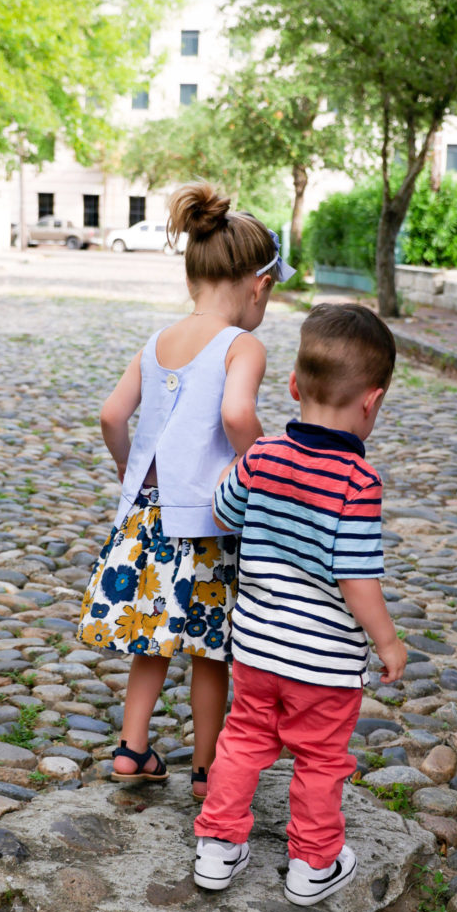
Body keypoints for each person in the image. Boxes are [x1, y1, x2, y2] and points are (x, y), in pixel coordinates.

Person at [77, 181, 296, 801]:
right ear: (258, 283)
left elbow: (110, 417)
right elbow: (235, 416)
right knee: (210, 648)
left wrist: (134, 477)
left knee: (152, 636)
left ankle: (132, 749)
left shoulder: (156, 342)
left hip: (146, 516)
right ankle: (205, 771)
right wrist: (263, 465)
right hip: (206, 523)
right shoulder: (242, 344)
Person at [193, 302, 407, 904]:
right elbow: (357, 577)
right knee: (319, 760)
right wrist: (386, 641)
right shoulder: (358, 482)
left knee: (241, 744)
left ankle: (217, 847)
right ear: (372, 400)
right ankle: (313, 865)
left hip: (257, 651)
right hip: (325, 666)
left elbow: (223, 510)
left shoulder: (260, 457)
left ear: (292, 386)